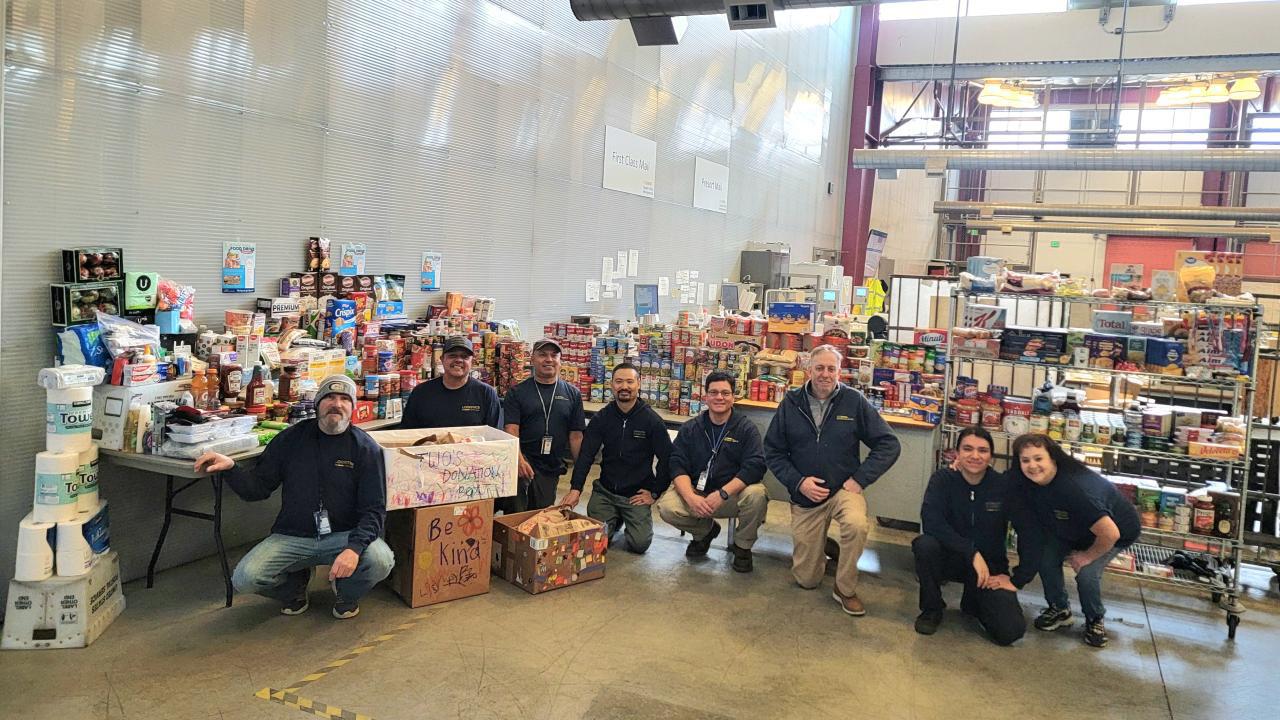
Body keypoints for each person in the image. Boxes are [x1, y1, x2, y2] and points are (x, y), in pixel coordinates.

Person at [194, 375, 394, 619]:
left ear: (352, 408)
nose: (337, 404)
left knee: (381, 560)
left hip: (344, 535)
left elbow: (374, 509)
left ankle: (346, 592)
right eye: (329, 397)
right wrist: (231, 468)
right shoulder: (290, 440)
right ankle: (293, 588)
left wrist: (353, 548)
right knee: (245, 578)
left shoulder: (365, 449)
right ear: (317, 403)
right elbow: (257, 489)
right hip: (294, 535)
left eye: (344, 399)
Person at [764, 345, 901, 617]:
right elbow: (773, 451)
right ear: (808, 370)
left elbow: (889, 444)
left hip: (842, 489)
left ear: (840, 372)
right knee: (807, 580)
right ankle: (822, 546)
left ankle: (845, 588)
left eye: (831, 369)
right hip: (806, 495)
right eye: (819, 368)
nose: (825, 374)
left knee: (856, 524)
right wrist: (799, 482)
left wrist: (859, 480)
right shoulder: (790, 403)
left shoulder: (854, 401)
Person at [1011, 433, 1141, 648]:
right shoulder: (1028, 481)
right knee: (1045, 558)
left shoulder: (1075, 489)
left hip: (1113, 532)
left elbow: (1110, 534)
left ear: (1053, 458)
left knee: (1087, 573)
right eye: (1025, 460)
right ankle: (1060, 609)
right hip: (1072, 527)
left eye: (1038, 458)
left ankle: (1094, 619)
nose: (1032, 466)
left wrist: (1086, 556)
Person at [913, 426, 1039, 645]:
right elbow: (931, 522)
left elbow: (1028, 531)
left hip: (988, 568)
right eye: (968, 449)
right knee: (925, 545)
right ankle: (932, 609)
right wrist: (970, 552)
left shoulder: (1003, 487)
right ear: (957, 453)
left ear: (991, 456)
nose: (975, 456)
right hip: (949, 558)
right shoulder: (942, 480)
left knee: (1010, 632)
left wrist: (1018, 579)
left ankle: (973, 601)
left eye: (982, 450)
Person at [658, 371, 768, 573]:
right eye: (714, 392)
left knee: (757, 495)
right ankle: (705, 532)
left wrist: (723, 493)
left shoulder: (746, 429)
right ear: (705, 396)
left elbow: (755, 465)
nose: (719, 397)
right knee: (667, 508)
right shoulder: (691, 428)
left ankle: (742, 547)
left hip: (730, 496)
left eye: (725, 393)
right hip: (698, 493)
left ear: (733, 397)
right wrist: (690, 497)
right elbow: (677, 464)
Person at [561, 362, 672, 554]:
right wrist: (575, 489)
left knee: (639, 545)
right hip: (606, 492)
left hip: (636, 495)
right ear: (612, 385)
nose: (624, 387)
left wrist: (654, 492)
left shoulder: (652, 421)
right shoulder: (602, 418)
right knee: (597, 541)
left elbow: (667, 458)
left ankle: (623, 517)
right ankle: (614, 517)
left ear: (639, 384)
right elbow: (586, 455)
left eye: (630, 381)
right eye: (619, 381)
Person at [500, 338, 586, 513]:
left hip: (550, 466)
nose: (549, 359)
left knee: (540, 514)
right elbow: (511, 430)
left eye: (554, 355)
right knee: (517, 515)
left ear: (560, 360)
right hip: (522, 463)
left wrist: (581, 470)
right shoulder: (517, 392)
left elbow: (576, 436)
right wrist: (519, 460)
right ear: (532, 360)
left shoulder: (572, 394)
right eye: (542, 355)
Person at [401, 336, 503, 429]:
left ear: (472, 361)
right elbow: (406, 434)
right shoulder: (421, 392)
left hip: (473, 449)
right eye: (452, 356)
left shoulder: (486, 394)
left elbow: (495, 438)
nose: (458, 360)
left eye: (464, 357)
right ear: (441, 359)